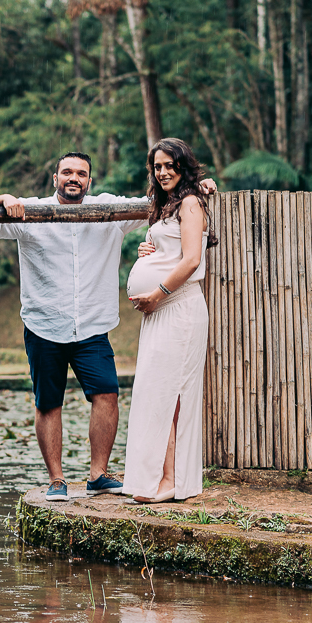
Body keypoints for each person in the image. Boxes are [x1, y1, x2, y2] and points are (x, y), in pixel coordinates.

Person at [0, 151, 214, 502]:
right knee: (48, 402)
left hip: (92, 325)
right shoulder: (28, 210)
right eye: (67, 172)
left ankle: (98, 474)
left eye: (81, 173)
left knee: (107, 395)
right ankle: (56, 480)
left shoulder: (110, 209)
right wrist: (3, 199)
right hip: (44, 323)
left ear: (90, 180)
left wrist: (200, 186)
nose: (74, 178)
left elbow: (157, 199)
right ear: (54, 178)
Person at [122, 138, 218, 503]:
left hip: (179, 309)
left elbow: (192, 260)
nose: (162, 172)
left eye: (168, 165)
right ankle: (159, 476)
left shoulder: (192, 203)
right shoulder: (165, 207)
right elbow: (171, 250)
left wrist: (157, 293)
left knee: (172, 393)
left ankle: (170, 480)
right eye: (156, 167)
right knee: (154, 391)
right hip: (159, 312)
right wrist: (149, 250)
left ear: (183, 166)